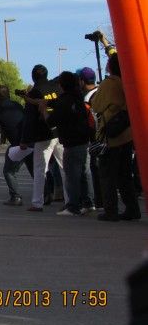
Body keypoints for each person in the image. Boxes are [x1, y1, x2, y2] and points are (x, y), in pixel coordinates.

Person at [91, 52, 140, 221]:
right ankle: (132, 208)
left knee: (107, 174)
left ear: (111, 66)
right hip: (127, 133)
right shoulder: (130, 81)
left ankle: (110, 209)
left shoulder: (109, 83)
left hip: (111, 134)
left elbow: (96, 105)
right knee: (125, 175)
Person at [38, 72, 94, 216]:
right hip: (84, 141)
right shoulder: (78, 98)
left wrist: (44, 111)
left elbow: (51, 122)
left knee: (71, 176)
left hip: (71, 142)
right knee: (85, 174)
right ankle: (88, 203)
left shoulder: (65, 102)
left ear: (62, 85)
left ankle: (72, 206)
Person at [18, 64, 66, 212]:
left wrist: (25, 140)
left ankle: (37, 202)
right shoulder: (57, 88)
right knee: (65, 168)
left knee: (39, 169)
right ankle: (70, 200)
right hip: (59, 133)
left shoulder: (34, 93)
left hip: (43, 134)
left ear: (33, 77)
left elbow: (30, 118)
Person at [77, 66, 103, 210]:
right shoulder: (101, 91)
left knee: (94, 169)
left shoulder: (86, 99)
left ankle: (98, 201)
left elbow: (89, 121)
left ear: (82, 81)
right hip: (107, 135)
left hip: (94, 138)